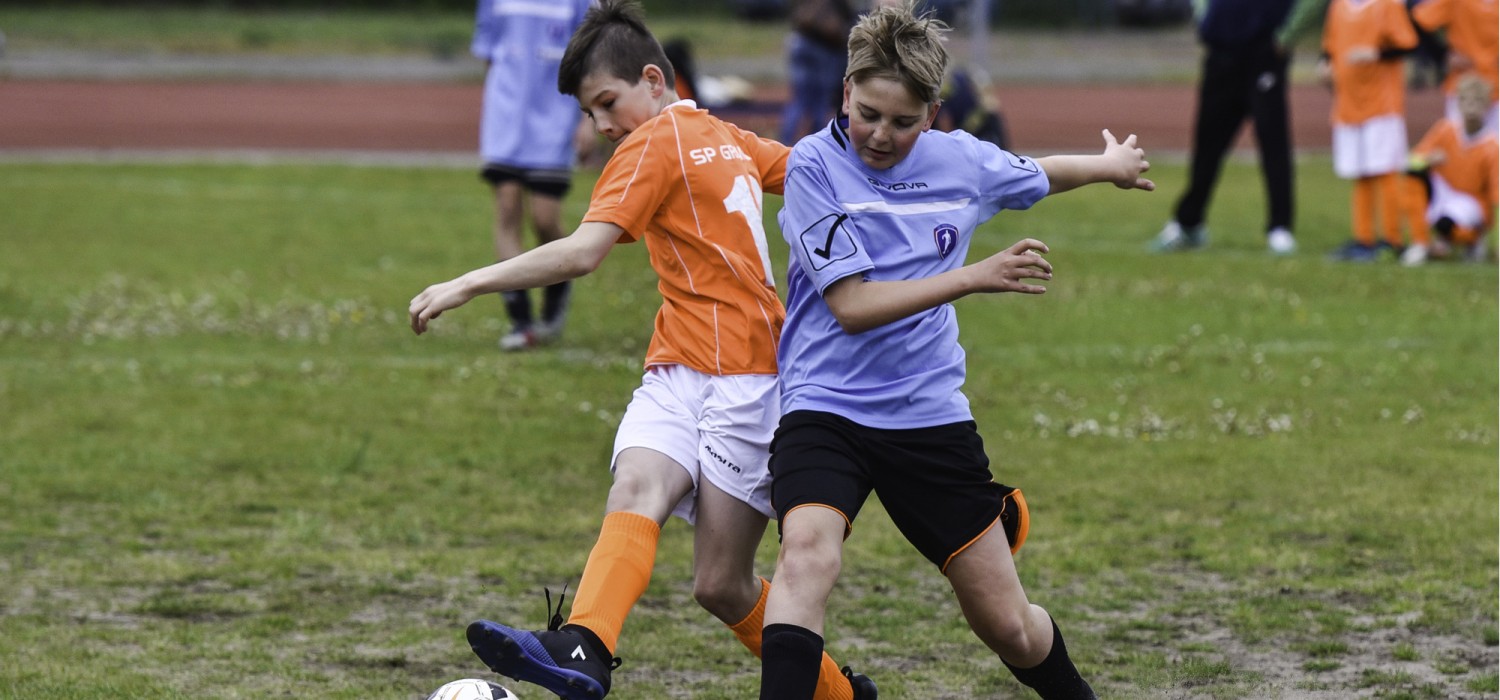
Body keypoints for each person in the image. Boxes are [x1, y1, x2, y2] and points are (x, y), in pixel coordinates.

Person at [409, 3, 874, 699]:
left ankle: (840, 694)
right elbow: (816, 169)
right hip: (681, 368)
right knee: (636, 487)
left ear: (653, 80)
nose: (601, 126)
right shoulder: (727, 135)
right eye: (592, 113)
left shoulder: (655, 141)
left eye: (606, 104)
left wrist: (470, 281)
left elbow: (583, 251)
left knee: (722, 582)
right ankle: (586, 647)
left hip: (744, 383)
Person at [756, 4, 1153, 699]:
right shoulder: (813, 166)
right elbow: (851, 307)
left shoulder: (960, 159)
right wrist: (972, 277)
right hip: (825, 408)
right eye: (868, 113)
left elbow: (1034, 173)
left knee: (1008, 626)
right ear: (845, 91)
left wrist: (1108, 164)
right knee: (804, 561)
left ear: (934, 113)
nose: (880, 134)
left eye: (902, 122)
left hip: (925, 417)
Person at [1151, 0, 1323, 255]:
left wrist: (1288, 35)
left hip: (1264, 52)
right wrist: (1205, 20)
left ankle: (1279, 228)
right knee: (1207, 144)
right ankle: (1189, 222)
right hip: (1221, 52)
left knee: (1272, 142)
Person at [471, 0, 594, 351]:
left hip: (553, 119)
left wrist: (588, 121)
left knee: (545, 219)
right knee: (507, 208)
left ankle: (558, 290)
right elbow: (490, 55)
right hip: (506, 116)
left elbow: (592, 59)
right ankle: (521, 321)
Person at [1321, 0, 1420, 262]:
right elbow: (1329, 46)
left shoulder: (1388, 5)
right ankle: (1363, 238)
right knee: (1360, 172)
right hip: (1348, 103)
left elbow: (1408, 43)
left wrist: (1375, 53)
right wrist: (1325, 64)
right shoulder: (1339, 6)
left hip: (1382, 104)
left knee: (1385, 169)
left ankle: (1393, 239)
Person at [1400, 74, 1498, 265]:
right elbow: (1411, 162)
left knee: (1447, 225)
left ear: (1487, 107)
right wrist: (1428, 159)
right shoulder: (1445, 129)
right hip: (1443, 192)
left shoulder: (1492, 146)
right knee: (1414, 177)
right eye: (1465, 100)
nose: (1471, 107)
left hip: (1471, 202)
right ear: (1457, 103)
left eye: (1477, 101)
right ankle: (1420, 242)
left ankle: (1472, 238)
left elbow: (1496, 195)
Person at [1410, 0, 1499, 135]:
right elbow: (1418, 21)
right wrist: (1442, 55)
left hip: (1495, 86)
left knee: (1494, 148)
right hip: (1463, 88)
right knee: (1459, 142)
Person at [779, 0, 858, 145]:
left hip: (800, 41)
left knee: (800, 100)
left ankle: (784, 142)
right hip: (822, 48)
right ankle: (818, 144)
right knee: (820, 101)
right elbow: (846, 19)